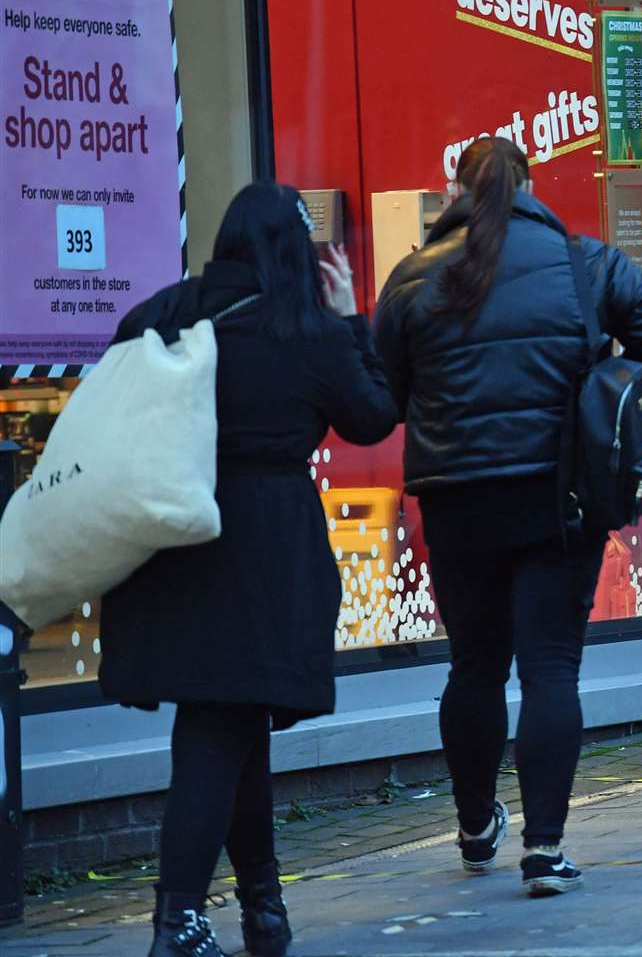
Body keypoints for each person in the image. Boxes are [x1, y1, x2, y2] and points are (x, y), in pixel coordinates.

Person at [373, 137, 642, 894]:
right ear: (529, 185)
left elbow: (382, 395)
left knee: (475, 665)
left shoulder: (413, 277)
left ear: (454, 190)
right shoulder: (585, 264)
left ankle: (476, 825)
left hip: (455, 502)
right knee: (550, 668)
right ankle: (544, 847)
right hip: (558, 499)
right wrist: (609, 369)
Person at [99, 183, 398, 957]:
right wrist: (352, 322)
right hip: (262, 549)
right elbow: (372, 416)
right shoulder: (308, 330)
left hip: (167, 538)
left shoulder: (162, 314)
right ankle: (178, 922)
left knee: (234, 722)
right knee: (217, 726)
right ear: (295, 251)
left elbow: (109, 404)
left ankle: (263, 911)